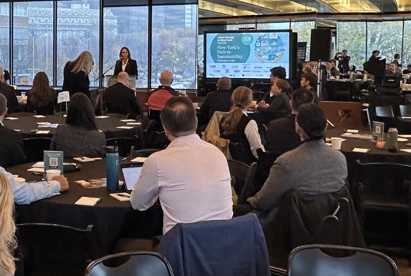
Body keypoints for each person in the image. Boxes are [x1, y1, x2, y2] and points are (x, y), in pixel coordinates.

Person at [131, 96, 233, 235]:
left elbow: (138, 204)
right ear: (196, 122)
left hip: (182, 249)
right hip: (224, 245)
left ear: (165, 128)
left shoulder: (157, 161)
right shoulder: (218, 154)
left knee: (125, 243)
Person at [247, 104, 348, 214]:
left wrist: (247, 201)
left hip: (291, 227)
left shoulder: (286, 163)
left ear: (297, 127)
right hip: (333, 226)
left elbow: (262, 202)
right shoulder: (340, 159)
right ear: (325, 127)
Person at [50, 93, 106, 158]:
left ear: (70, 111)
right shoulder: (99, 137)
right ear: (90, 111)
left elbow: (51, 155)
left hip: (64, 167)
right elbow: (102, 162)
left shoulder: (60, 131)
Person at [264, 88, 317, 154]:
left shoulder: (273, 126)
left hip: (276, 163)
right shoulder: (315, 129)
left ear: (291, 103)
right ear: (312, 105)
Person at [221, 86, 264, 161]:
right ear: (250, 102)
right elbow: (257, 151)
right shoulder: (249, 123)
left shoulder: (224, 119)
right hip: (249, 167)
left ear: (233, 99)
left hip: (230, 164)